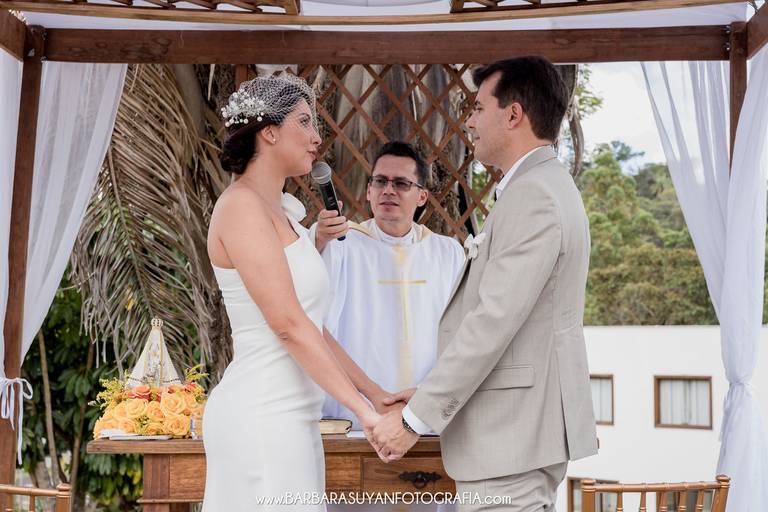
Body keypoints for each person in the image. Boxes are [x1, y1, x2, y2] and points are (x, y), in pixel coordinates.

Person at [372, 57, 599, 511]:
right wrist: (429, 394)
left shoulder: (534, 194)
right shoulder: (541, 185)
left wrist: (416, 418)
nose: (470, 122)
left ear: (513, 115)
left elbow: (493, 321)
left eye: (478, 108)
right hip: (512, 437)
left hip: (510, 438)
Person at [203, 74, 389, 511]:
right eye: (304, 122)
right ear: (269, 132)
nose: (316, 138)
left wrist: (374, 394)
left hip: (295, 418)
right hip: (262, 414)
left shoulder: (284, 214)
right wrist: (363, 413)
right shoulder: (241, 206)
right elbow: (287, 325)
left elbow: (310, 326)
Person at [312, 141, 465, 433]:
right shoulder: (341, 244)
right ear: (369, 191)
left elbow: (463, 332)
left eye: (401, 183)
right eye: (380, 181)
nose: (388, 190)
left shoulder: (447, 253)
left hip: (426, 415)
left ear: (422, 196)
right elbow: (303, 299)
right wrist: (318, 241)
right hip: (357, 414)